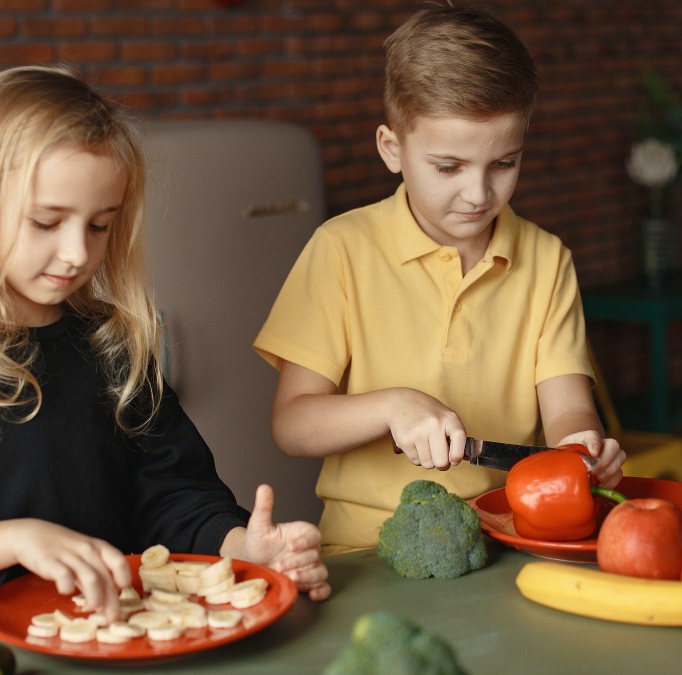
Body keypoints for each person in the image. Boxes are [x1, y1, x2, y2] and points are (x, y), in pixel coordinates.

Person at [0, 64, 331, 625]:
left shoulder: (113, 350)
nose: (78, 253)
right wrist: (6, 541)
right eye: (46, 222)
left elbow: (174, 499)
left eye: (99, 225)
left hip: (111, 643)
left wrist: (242, 548)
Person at [253, 6, 627, 555]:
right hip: (361, 551)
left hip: (502, 540)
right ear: (392, 150)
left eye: (504, 164)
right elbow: (292, 425)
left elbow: (568, 409)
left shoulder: (548, 261)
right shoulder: (341, 249)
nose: (478, 194)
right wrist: (391, 406)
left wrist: (583, 446)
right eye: (449, 167)